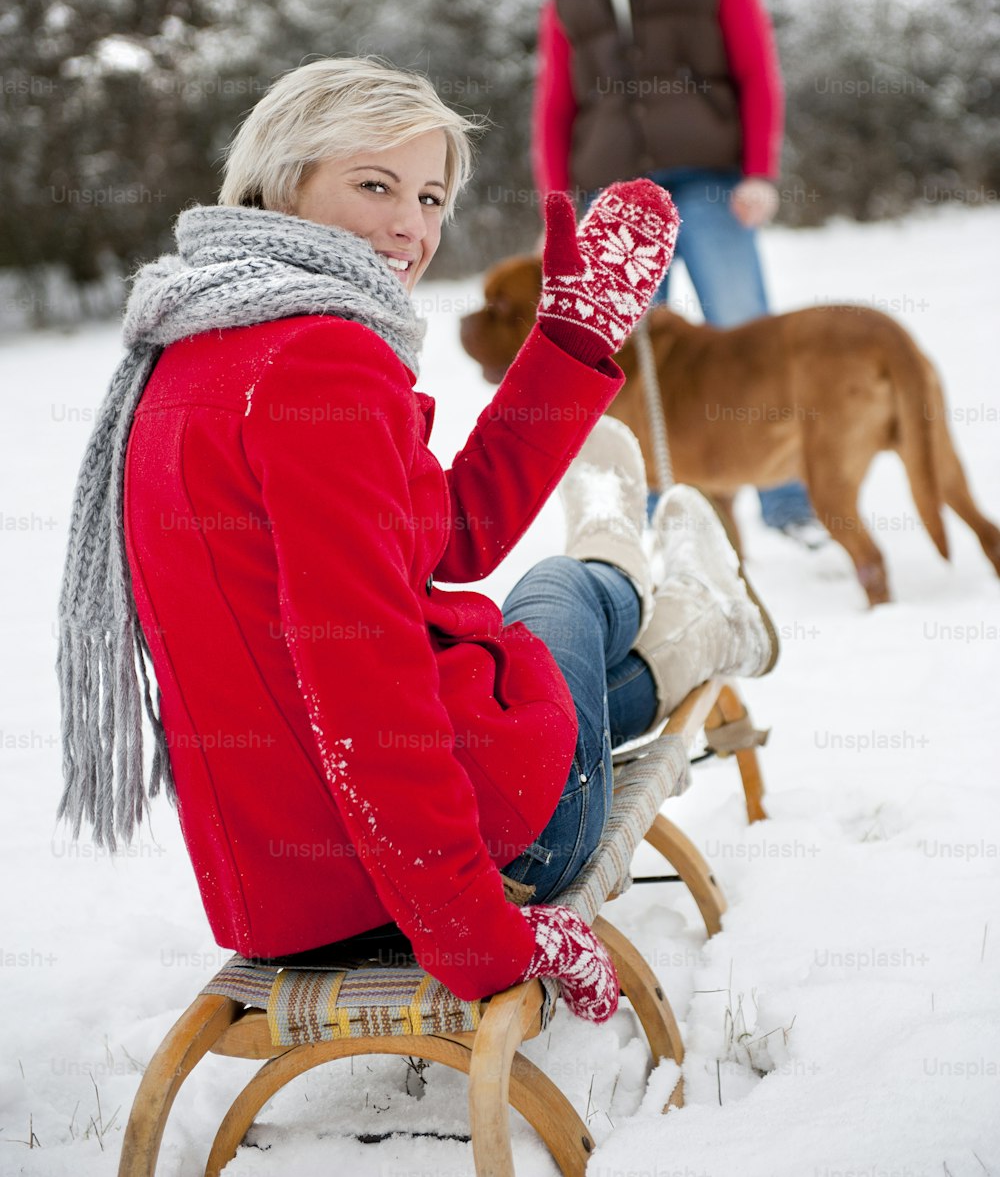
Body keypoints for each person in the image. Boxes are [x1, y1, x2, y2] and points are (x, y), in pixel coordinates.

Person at [55, 56, 778, 1024]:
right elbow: (361, 673)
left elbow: (450, 535)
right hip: (484, 856)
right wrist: (479, 934)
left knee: (546, 613)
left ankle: (657, 586)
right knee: (562, 590)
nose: (412, 226)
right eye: (374, 184)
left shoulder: (190, 346)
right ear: (281, 180)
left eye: (431, 195)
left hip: (289, 894)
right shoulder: (322, 358)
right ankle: (680, 605)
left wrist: (568, 338)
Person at [532, 0, 824, 546]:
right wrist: (558, 208)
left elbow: (758, 69)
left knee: (744, 328)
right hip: (614, 190)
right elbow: (555, 103)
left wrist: (760, 170)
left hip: (710, 180)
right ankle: (656, 511)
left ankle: (788, 500)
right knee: (631, 356)